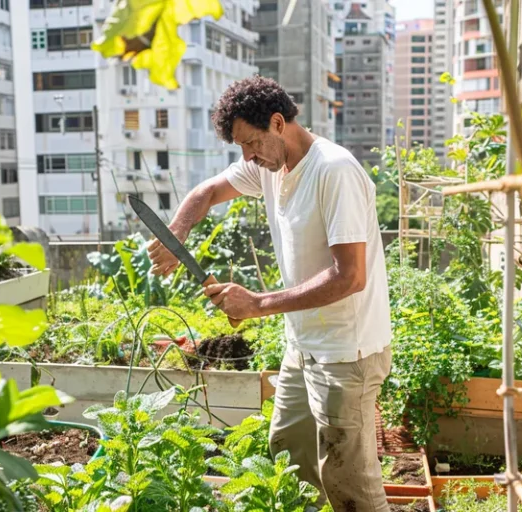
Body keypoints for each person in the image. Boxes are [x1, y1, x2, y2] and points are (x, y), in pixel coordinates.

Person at [146, 75, 392, 512]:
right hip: (302, 348)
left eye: (251, 143)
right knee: (289, 458)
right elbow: (207, 192)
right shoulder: (271, 166)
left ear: (278, 123)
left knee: (348, 480)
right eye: (240, 148)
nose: (247, 157)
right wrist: (176, 232)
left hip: (345, 353)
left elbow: (351, 276)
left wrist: (258, 304)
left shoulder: (333, 171)